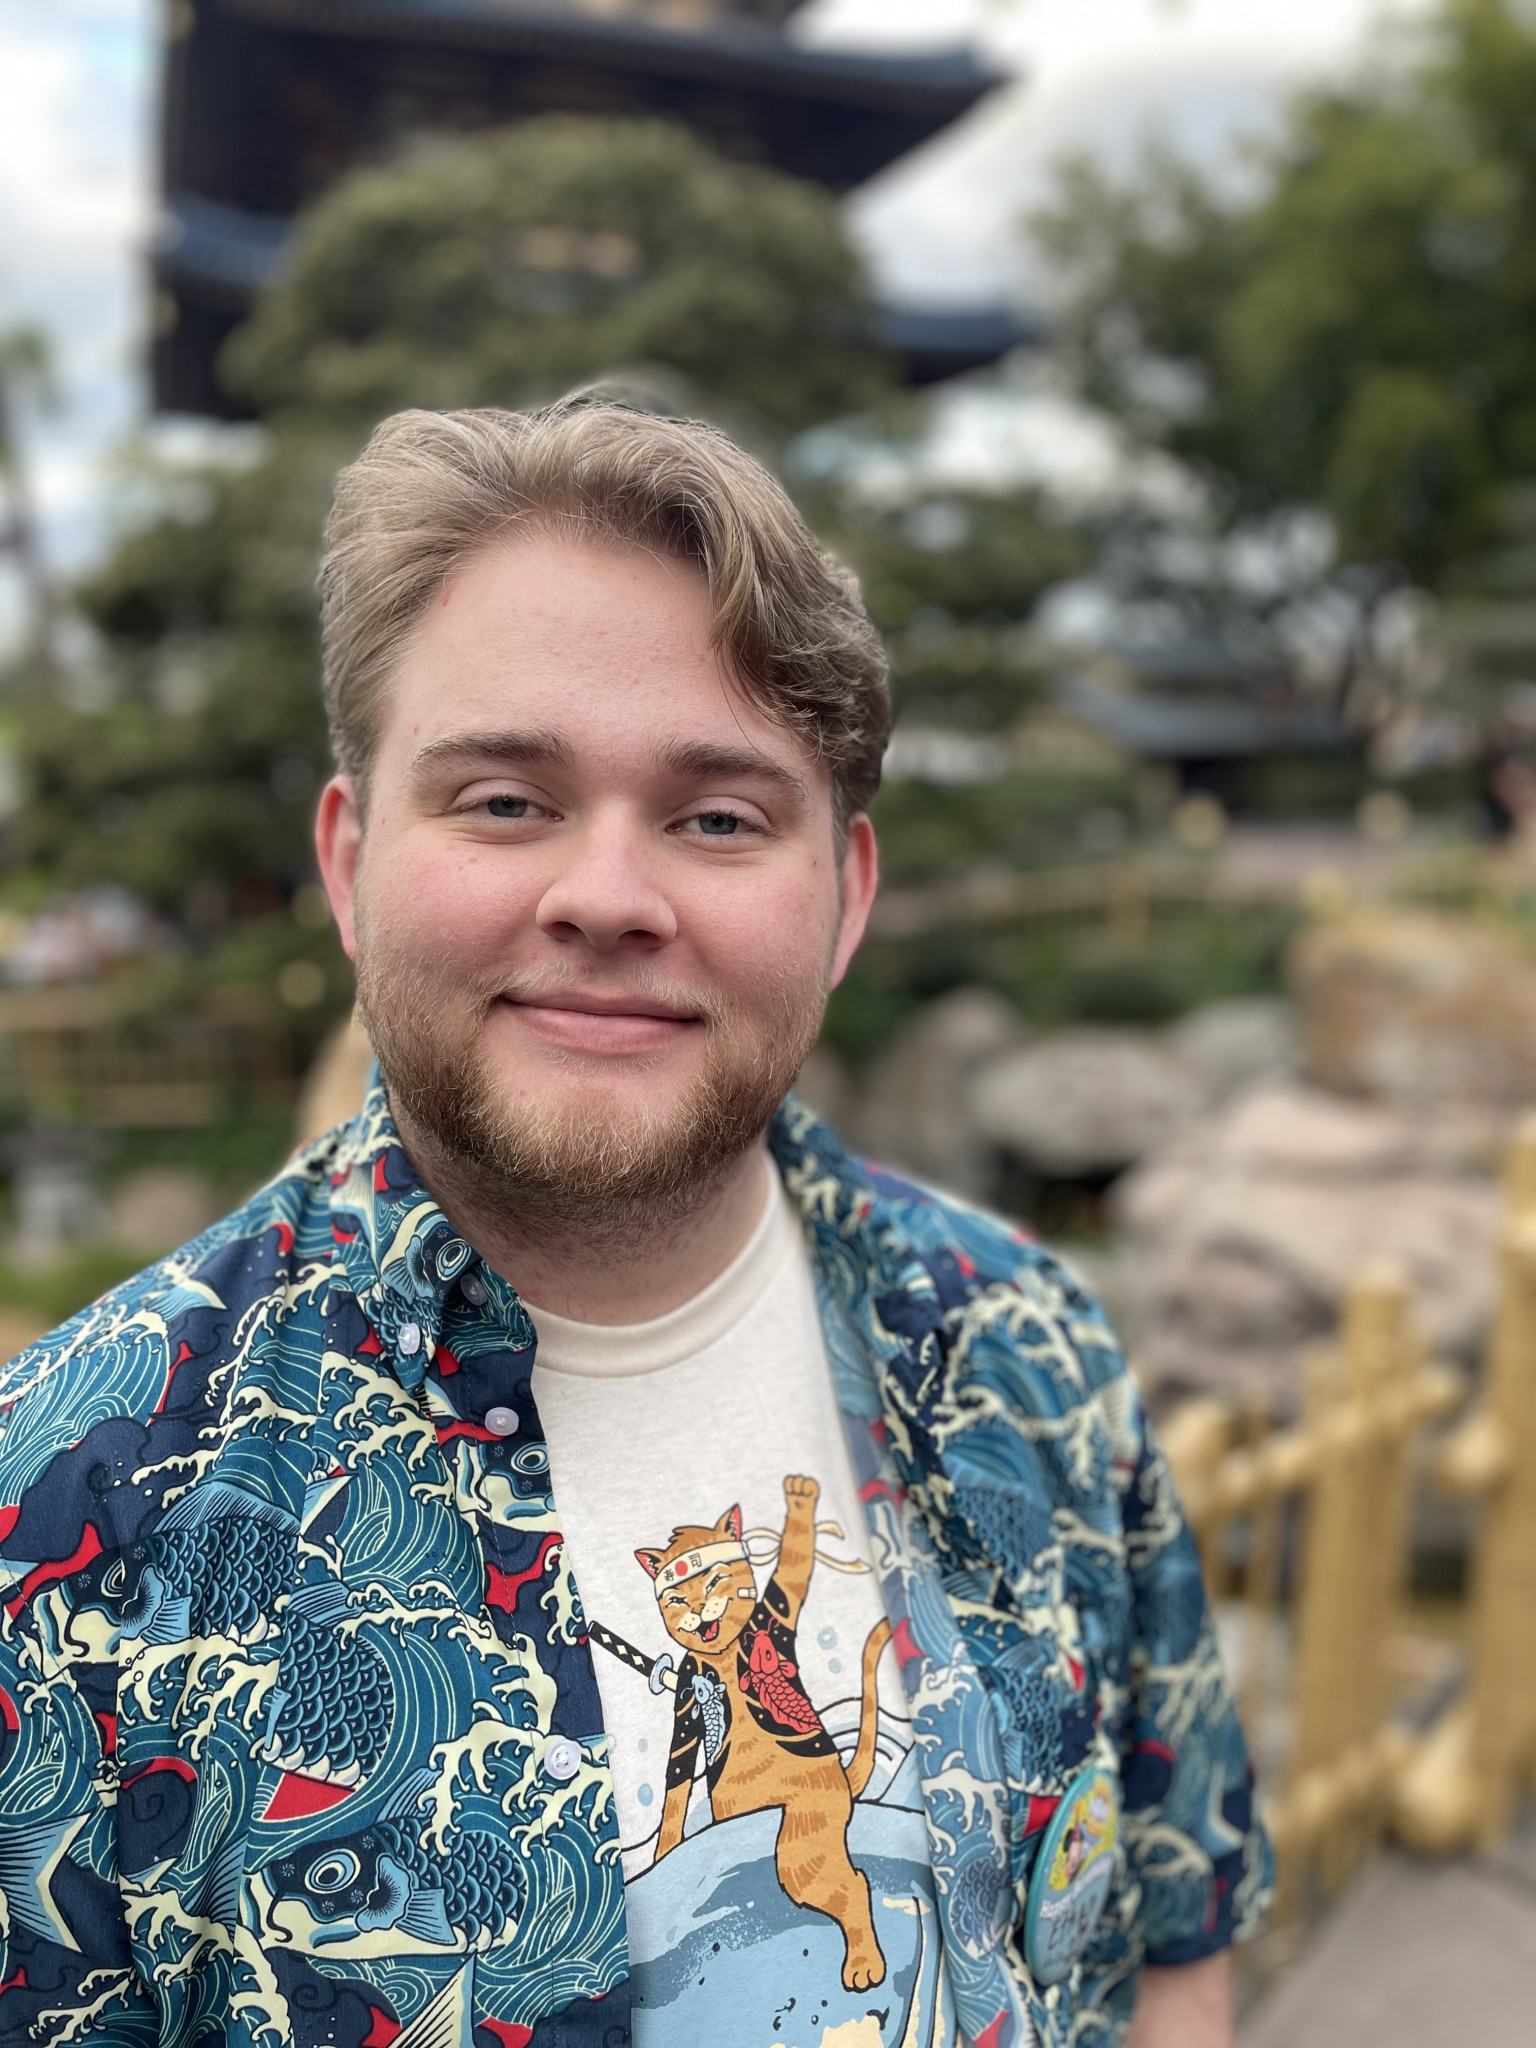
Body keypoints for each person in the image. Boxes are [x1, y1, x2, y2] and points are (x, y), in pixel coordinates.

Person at [0, 402, 1269, 2048]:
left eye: (719, 817)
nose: (607, 895)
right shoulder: (73, 1514)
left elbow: (1170, 1931)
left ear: (846, 897)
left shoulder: (1024, 1346)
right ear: (349, 858)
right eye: (504, 800)